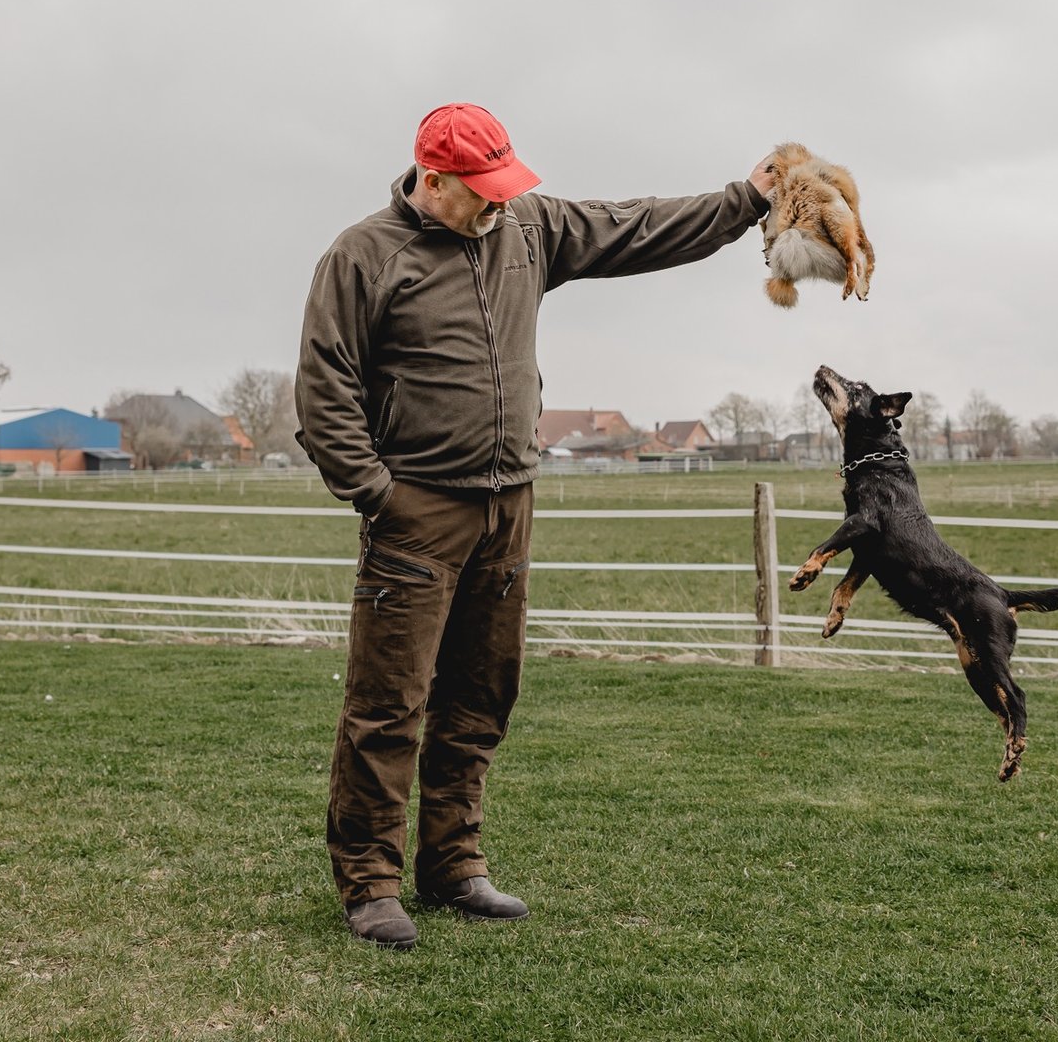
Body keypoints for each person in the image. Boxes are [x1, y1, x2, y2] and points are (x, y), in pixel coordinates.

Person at [294, 102, 777, 949]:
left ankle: (453, 866)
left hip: (509, 505)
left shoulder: (526, 229)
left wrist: (745, 200)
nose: (493, 205)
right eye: (478, 191)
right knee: (389, 705)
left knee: (481, 693)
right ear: (430, 178)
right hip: (416, 513)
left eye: (501, 188)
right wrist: (376, 491)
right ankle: (370, 882)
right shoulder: (364, 256)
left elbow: (635, 229)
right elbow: (324, 384)